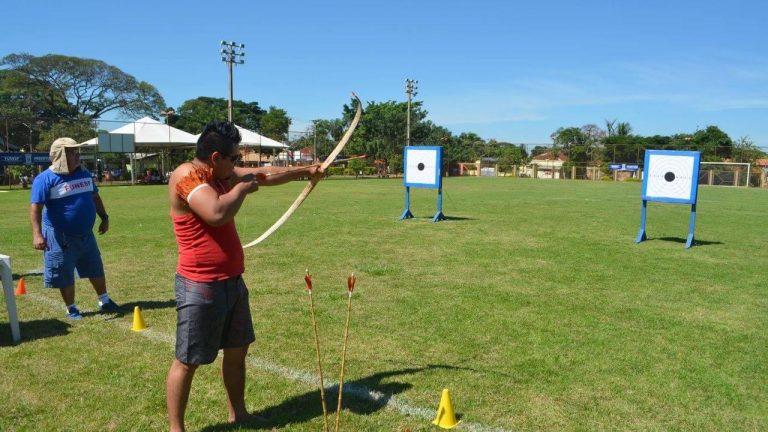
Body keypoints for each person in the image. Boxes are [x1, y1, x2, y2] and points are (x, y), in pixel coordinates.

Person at [165, 121, 322, 431]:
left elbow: (264, 175)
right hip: (200, 285)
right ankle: (176, 429)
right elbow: (216, 212)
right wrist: (241, 188)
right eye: (233, 158)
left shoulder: (220, 173)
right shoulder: (187, 177)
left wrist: (307, 171)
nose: (237, 164)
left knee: (237, 352)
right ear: (215, 157)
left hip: (232, 282)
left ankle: (239, 413)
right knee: (187, 361)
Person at [29, 137, 123, 320]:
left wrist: (104, 217)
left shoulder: (84, 173)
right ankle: (71, 308)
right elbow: (36, 208)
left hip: (86, 235)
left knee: (95, 267)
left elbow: (95, 197)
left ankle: (104, 300)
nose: (78, 155)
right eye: (73, 152)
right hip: (60, 236)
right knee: (64, 272)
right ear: (61, 156)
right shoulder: (45, 179)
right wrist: (37, 234)